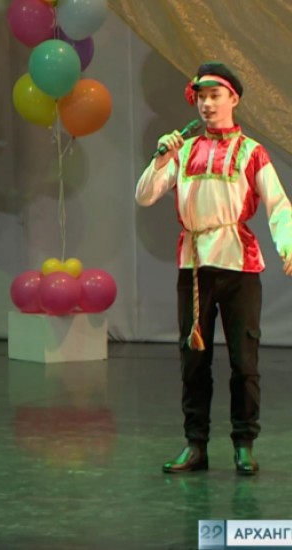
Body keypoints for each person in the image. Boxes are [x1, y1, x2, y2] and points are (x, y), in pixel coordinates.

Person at [136, 62, 292, 475]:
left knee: (244, 361)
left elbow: (278, 204)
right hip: (195, 265)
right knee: (193, 362)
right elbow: (145, 196)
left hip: (238, 265)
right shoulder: (184, 150)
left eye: (215, 96)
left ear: (233, 99)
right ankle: (195, 444)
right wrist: (161, 159)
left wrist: (288, 245)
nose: (206, 104)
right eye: (201, 97)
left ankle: (244, 444)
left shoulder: (251, 152)